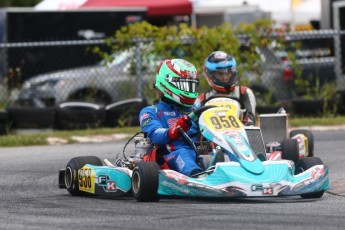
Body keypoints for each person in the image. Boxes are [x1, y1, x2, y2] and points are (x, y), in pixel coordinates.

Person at [139, 59, 203, 177]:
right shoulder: (150, 112)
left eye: (191, 85)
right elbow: (155, 134)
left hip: (201, 153)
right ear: (167, 84)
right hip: (170, 157)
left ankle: (242, 173)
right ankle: (198, 177)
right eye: (184, 85)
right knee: (184, 153)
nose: (188, 89)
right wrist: (174, 130)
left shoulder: (198, 110)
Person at [194, 51, 256, 126]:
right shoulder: (202, 99)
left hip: (239, 134)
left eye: (228, 72)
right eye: (220, 73)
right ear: (210, 75)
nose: (225, 77)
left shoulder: (244, 93)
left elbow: (250, 121)